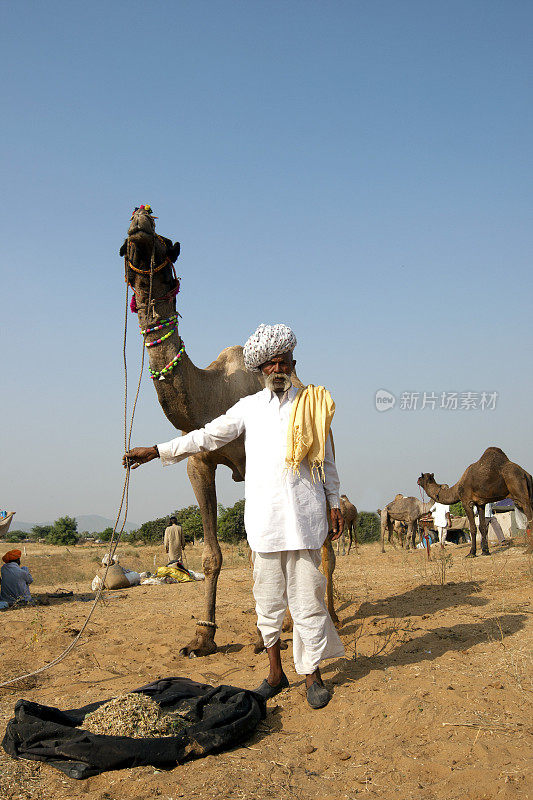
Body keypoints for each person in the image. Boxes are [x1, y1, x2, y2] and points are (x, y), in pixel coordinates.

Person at [124, 323, 344, 709]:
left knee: (308, 599)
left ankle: (312, 676)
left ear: (293, 362)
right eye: (271, 363)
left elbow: (327, 458)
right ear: (260, 368)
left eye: (284, 361)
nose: (278, 368)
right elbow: (203, 438)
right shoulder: (247, 408)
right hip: (264, 520)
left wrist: (334, 501)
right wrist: (157, 451)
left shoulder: (313, 402)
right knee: (267, 601)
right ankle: (275, 674)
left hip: (306, 517)